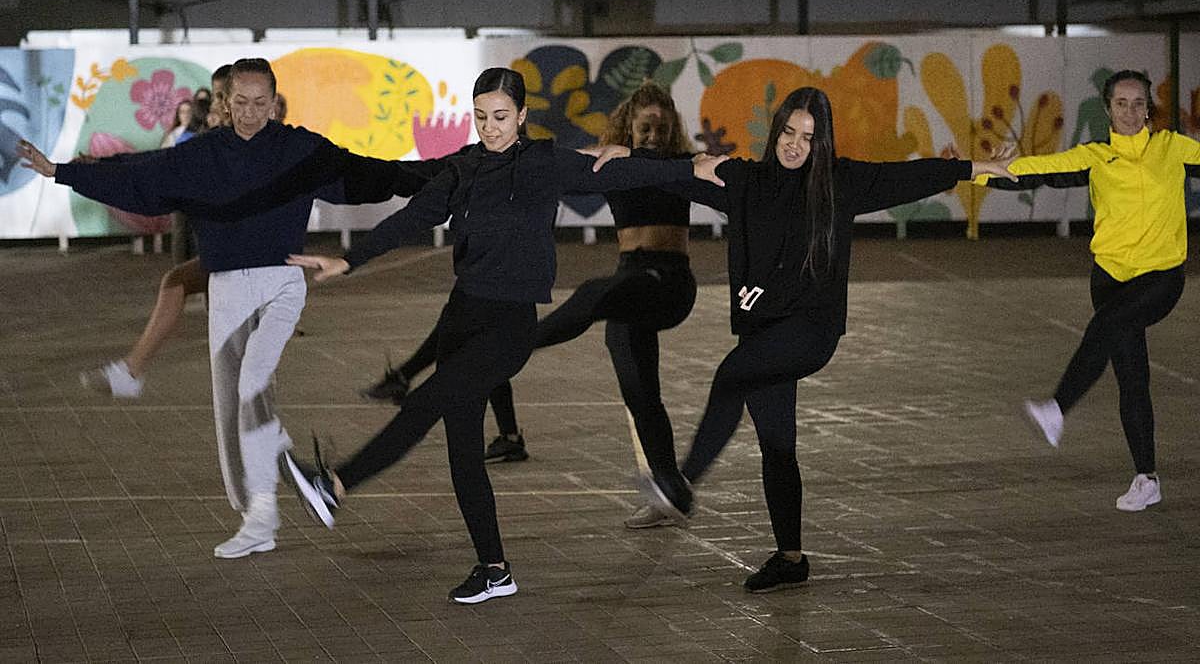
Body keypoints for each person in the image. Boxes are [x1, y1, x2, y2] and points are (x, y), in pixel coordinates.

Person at [277, 67, 728, 604]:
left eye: (499, 117)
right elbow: (411, 218)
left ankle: (336, 485)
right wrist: (350, 260)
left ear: (520, 116)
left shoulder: (543, 161)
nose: (489, 128)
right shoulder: (462, 169)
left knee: (424, 400)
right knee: (462, 450)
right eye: (481, 117)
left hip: (510, 325)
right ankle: (494, 570)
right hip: (463, 315)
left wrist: (688, 165)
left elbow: (614, 175)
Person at [17, 58, 430, 560]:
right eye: (241, 102)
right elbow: (142, 175)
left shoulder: (301, 149)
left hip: (283, 283)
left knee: (253, 381)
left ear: (275, 103)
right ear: (225, 103)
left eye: (262, 103)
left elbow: (368, 173)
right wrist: (62, 172)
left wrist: (448, 172)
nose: (252, 112)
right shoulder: (203, 155)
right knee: (232, 405)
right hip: (228, 289)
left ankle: (271, 473)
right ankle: (260, 516)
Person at [612, 86, 1013, 593]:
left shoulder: (840, 182)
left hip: (811, 331)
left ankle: (679, 484)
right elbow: (675, 174)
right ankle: (791, 557)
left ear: (821, 143)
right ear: (776, 130)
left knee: (732, 374)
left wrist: (972, 168)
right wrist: (616, 156)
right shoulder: (745, 180)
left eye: (808, 137)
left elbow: (906, 177)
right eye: (789, 132)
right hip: (763, 330)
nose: (796, 145)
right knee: (777, 445)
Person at [364, 82, 702, 527]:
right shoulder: (608, 160)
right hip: (628, 284)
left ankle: (516, 343)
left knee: (585, 297)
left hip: (667, 281)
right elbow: (541, 163)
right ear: (628, 127)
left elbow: (719, 176)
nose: (655, 135)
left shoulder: (677, 164)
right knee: (640, 393)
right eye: (646, 127)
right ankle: (668, 489)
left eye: (662, 127)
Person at [982, 70, 1200, 512]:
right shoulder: (1096, 156)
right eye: (1121, 103)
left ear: (1149, 109)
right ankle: (1146, 478)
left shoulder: (1173, 149)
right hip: (1110, 277)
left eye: (1138, 103)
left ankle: (1058, 408)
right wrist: (986, 171)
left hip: (1161, 276)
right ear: (1108, 109)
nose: (1130, 111)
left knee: (1110, 322)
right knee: (1132, 377)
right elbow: (1042, 169)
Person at [79, 64, 234, 396]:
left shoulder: (248, 140)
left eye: (224, 97)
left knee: (249, 377)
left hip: (259, 262)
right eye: (217, 96)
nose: (216, 106)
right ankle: (131, 371)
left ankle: (132, 372)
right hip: (233, 254)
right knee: (177, 283)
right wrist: (101, 167)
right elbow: (158, 162)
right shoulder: (217, 138)